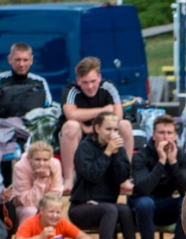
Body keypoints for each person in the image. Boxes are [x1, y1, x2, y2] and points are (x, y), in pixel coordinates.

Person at [68, 111, 137, 239]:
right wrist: (107, 153)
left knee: (124, 209)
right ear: (97, 128)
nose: (112, 133)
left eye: (115, 129)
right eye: (108, 129)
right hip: (82, 206)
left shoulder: (117, 149)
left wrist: (114, 155)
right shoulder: (84, 148)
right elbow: (91, 175)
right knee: (111, 209)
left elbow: (122, 177)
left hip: (106, 205)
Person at [129, 114, 186, 239]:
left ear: (175, 136)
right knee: (146, 203)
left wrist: (172, 163)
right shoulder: (141, 156)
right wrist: (161, 162)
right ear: (153, 135)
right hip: (139, 207)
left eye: (169, 133)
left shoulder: (181, 156)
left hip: (165, 205)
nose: (165, 137)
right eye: (161, 132)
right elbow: (143, 188)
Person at [57, 57, 135, 193]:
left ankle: (124, 176)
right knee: (71, 126)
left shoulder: (108, 87)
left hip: (104, 132)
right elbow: (71, 114)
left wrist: (92, 126)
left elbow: (117, 117)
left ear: (99, 77)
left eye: (93, 81)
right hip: (79, 134)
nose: (90, 86)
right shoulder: (71, 90)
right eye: (85, 82)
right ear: (78, 81)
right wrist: (103, 110)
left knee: (125, 125)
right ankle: (69, 178)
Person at [0, 43, 52, 119]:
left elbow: (48, 108)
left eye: (25, 60)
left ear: (31, 60)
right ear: (10, 59)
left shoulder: (40, 81)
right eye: (18, 60)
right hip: (4, 127)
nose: (21, 64)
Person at [10, 140, 63, 225]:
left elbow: (56, 194)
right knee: (30, 211)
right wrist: (40, 181)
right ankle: (24, 236)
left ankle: (51, 237)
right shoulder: (20, 167)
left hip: (45, 205)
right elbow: (27, 202)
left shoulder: (55, 164)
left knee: (53, 211)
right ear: (30, 158)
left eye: (45, 160)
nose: (41, 163)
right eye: (37, 159)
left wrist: (46, 208)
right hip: (23, 207)